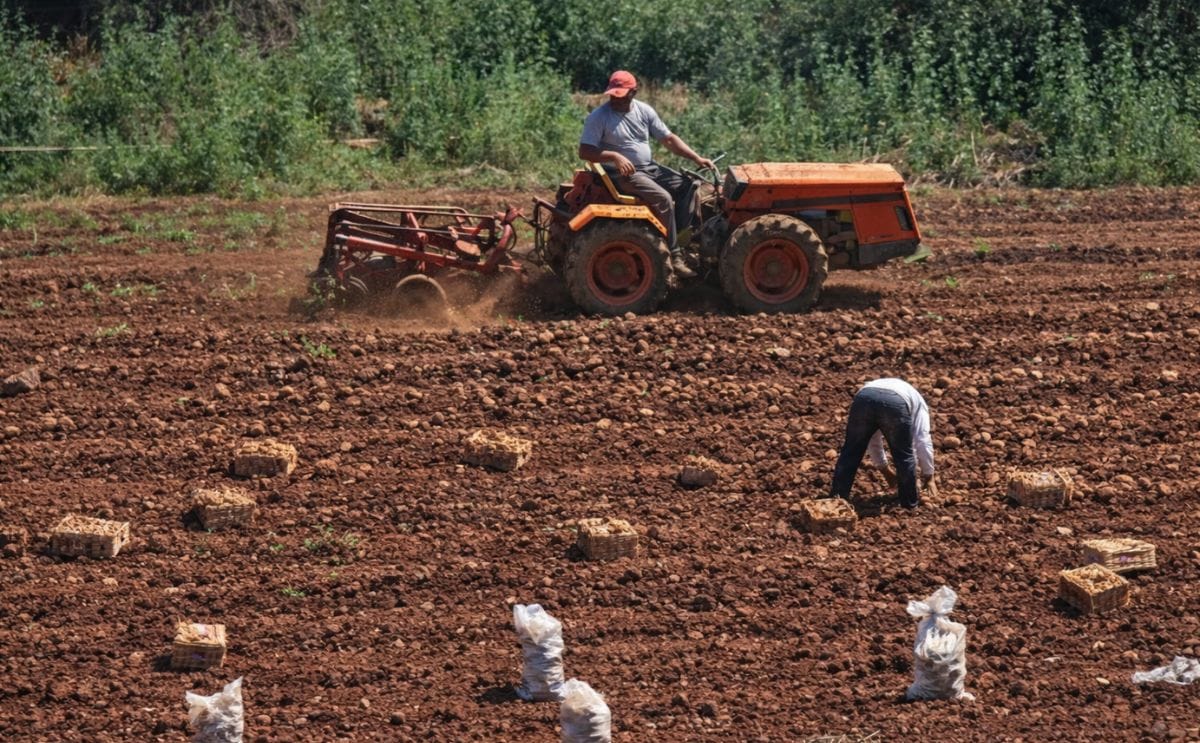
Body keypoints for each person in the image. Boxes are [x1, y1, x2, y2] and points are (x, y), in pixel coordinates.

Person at [578, 70, 715, 279]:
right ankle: (675, 257)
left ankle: (681, 240)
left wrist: (697, 158)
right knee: (663, 199)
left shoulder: (644, 111)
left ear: (633, 92)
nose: (615, 98)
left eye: (620, 94)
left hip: (648, 167)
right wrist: (614, 156)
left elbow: (668, 139)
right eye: (612, 94)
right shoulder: (599, 117)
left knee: (690, 186)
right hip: (621, 173)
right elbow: (585, 151)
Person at [829, 377, 937, 509]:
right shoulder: (920, 405)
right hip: (895, 401)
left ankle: (836, 500)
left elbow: (872, 440)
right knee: (903, 455)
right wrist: (929, 476)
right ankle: (909, 506)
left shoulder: (880, 386)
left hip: (863, 397)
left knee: (851, 451)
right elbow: (922, 439)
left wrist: (885, 470)